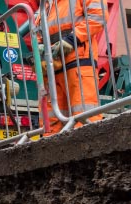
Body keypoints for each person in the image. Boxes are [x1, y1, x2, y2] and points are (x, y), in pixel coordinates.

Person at [36, 0, 108, 135]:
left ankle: (88, 147)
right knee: (53, 121)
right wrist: (39, 46)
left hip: (78, 61)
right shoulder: (47, 5)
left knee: (84, 114)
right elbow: (39, 32)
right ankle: (50, 150)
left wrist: (73, 38)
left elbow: (99, 16)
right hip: (54, 66)